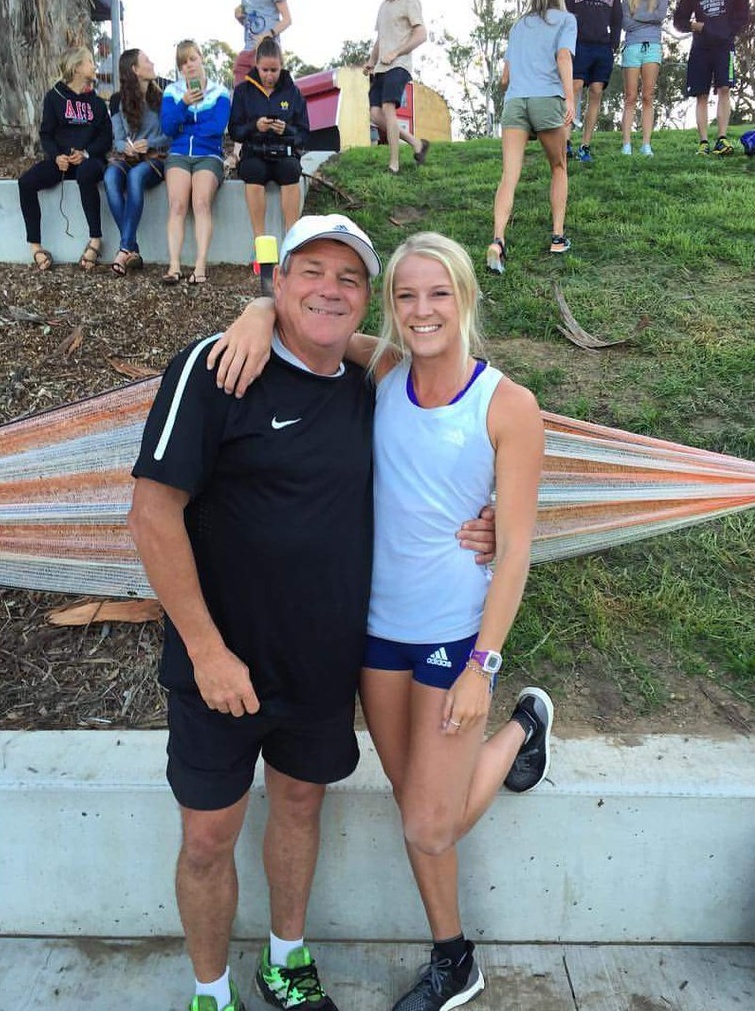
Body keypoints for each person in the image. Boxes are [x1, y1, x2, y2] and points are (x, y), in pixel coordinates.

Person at [128, 213, 497, 1011]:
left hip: (324, 661)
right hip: (218, 665)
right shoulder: (216, 366)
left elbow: (448, 412)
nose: (328, 289)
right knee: (206, 838)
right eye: (310, 272)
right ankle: (209, 991)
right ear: (279, 278)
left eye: (349, 278)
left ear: (369, 300)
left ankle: (286, 963)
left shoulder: (374, 385)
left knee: (299, 806)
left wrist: (489, 512)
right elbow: (151, 516)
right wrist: (206, 650)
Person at [210, 231, 554, 1011]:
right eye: (405, 294)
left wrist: (483, 665)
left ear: (465, 296)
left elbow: (518, 551)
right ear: (391, 304)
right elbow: (309, 320)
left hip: (451, 635)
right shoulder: (384, 369)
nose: (422, 309)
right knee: (412, 806)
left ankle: (518, 732)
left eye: (438, 293)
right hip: (373, 631)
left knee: (431, 825)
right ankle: (453, 955)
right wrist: (257, 310)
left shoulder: (508, 406)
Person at [487, 0, 577, 272]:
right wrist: (570, 98)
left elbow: (505, 78)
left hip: (515, 102)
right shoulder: (566, 20)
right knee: (559, 166)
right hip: (547, 98)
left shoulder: (518, 25)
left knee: (509, 175)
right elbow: (563, 57)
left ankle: (498, 240)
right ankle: (558, 238)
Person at [18, 46, 112, 272]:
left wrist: (87, 153)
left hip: (90, 161)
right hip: (62, 160)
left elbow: (106, 137)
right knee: (26, 183)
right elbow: (46, 134)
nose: (94, 65)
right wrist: (56, 155)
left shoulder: (97, 103)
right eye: (90, 61)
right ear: (77, 67)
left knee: (87, 172)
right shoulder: (54, 97)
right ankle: (35, 246)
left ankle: (95, 240)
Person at [160, 40, 231, 285]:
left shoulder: (220, 92)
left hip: (208, 154)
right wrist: (185, 105)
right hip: (179, 154)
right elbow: (168, 127)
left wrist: (187, 126)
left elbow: (217, 127)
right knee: (177, 205)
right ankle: (174, 266)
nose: (188, 65)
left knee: (200, 203)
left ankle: (200, 265)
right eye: (183, 62)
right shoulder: (172, 92)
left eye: (192, 59)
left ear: (201, 58)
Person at [229, 37, 309, 244]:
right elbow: (235, 131)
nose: (269, 75)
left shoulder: (293, 92)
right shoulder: (242, 91)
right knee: (252, 172)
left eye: (274, 70)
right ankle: (260, 242)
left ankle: (292, 240)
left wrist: (286, 130)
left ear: (282, 66)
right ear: (256, 65)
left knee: (292, 170)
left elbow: (304, 134)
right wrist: (254, 126)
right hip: (255, 153)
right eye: (265, 70)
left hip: (284, 153)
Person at [104, 49, 170, 276]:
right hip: (128, 157)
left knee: (135, 177)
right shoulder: (116, 100)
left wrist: (148, 143)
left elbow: (170, 135)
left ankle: (124, 249)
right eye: (146, 60)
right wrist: (128, 147)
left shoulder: (163, 97)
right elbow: (118, 139)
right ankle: (132, 248)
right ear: (135, 69)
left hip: (155, 159)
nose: (152, 63)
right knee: (110, 177)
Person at [673, 0, 750, 156]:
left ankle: (722, 139)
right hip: (700, 47)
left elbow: (743, 11)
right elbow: (679, 20)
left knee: (724, 89)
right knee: (701, 94)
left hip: (725, 46)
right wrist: (694, 26)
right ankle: (704, 143)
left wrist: (729, 30)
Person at [363, 0, 431, 175]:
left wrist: (397, 52)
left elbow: (421, 34)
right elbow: (381, 39)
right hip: (381, 68)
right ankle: (417, 144)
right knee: (376, 114)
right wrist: (371, 61)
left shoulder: (409, 2)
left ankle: (394, 165)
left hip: (399, 65)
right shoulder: (383, 6)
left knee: (387, 108)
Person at [565, 0, 623, 161]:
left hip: (602, 47)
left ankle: (585, 146)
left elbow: (617, 19)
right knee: (574, 87)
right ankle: (565, 142)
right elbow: (565, 14)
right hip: (579, 44)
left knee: (597, 91)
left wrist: (614, 43)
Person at [620, 0, 669, 156]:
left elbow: (660, 16)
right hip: (632, 47)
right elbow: (626, 24)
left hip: (653, 47)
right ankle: (626, 144)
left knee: (648, 96)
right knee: (630, 97)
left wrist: (637, 17)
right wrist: (650, 18)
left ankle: (646, 145)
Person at [233, 1, 292, 86]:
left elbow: (287, 20)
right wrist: (240, 18)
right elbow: (252, 26)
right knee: (239, 92)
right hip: (248, 49)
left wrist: (269, 34)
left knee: (265, 94)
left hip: (267, 51)